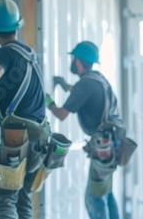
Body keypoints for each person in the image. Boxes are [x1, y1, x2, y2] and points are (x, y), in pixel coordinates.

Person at [0, 0, 49, 219]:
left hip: (18, 139)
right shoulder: (29, 53)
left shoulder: (3, 54)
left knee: (1, 201)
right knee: (22, 200)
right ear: (16, 27)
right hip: (40, 138)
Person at [46, 41, 121, 219]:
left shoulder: (85, 85)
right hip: (112, 143)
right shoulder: (98, 79)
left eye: (73, 58)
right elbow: (82, 93)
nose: (72, 62)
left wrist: (49, 103)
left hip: (102, 145)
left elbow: (62, 114)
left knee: (94, 198)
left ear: (78, 61)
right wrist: (65, 86)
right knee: (105, 193)